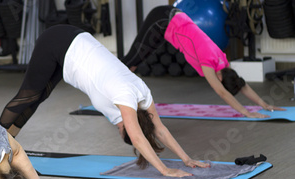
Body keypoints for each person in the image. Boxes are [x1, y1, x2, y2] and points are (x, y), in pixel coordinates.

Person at [0, 24, 208, 177]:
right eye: (121, 131)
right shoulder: (125, 96)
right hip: (60, 42)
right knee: (28, 96)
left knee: (38, 98)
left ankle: (6, 148)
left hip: (72, 46)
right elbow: (138, 137)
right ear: (127, 126)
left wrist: (186, 159)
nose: (118, 129)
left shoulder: (142, 93)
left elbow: (159, 129)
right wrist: (164, 169)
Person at [121, 5, 284, 118]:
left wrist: (264, 104)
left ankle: (120, 95)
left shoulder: (223, 61)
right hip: (163, 19)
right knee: (131, 59)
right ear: (220, 79)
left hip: (169, 20)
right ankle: (105, 86)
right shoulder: (208, 62)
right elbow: (222, 92)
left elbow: (241, 84)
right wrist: (246, 112)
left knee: (135, 62)